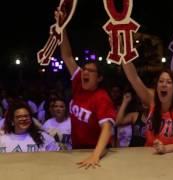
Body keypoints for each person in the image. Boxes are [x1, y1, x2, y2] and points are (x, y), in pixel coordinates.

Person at [57, 10, 116, 169]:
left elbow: (107, 129)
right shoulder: (78, 83)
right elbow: (67, 57)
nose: (85, 72)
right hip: (77, 150)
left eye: (90, 71)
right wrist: (62, 27)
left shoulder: (101, 97)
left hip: (97, 151)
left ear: (99, 78)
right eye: (84, 69)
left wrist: (95, 155)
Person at [122, 62, 173, 154]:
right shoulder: (152, 100)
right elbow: (134, 78)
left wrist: (166, 149)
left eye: (169, 82)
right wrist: (124, 57)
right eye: (161, 81)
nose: (164, 84)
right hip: (149, 158)